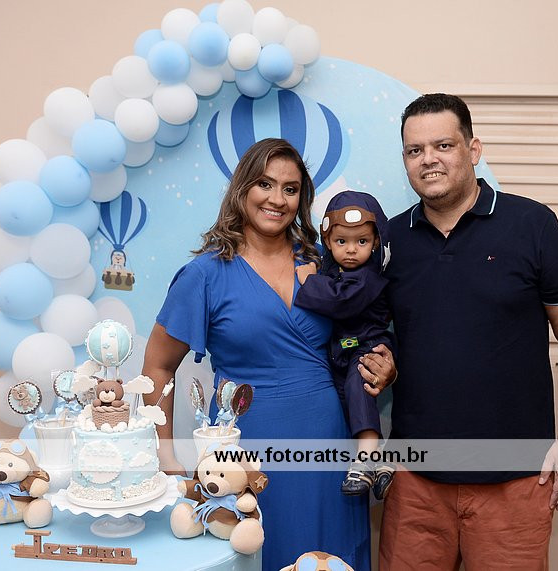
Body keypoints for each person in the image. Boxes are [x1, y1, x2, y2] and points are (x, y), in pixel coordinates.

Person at [141, 138, 395, 570]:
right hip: (245, 452)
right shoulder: (204, 274)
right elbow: (158, 367)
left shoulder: (325, 263)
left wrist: (385, 365)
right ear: (242, 188)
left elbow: (363, 332)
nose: (277, 199)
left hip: (329, 445)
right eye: (265, 184)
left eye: (290, 189)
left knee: (331, 557)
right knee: (258, 550)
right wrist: (165, 456)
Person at [375, 94, 558, 570]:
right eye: (415, 150)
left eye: (443, 145)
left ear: (473, 150)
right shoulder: (390, 241)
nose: (428, 159)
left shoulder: (532, 225)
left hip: (515, 480)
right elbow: (372, 330)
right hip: (416, 480)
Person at [293, 190, 395, 498]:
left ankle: (366, 457)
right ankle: (379, 461)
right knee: (342, 401)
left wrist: (309, 281)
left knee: (358, 387)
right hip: (342, 349)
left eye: (361, 241)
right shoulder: (334, 270)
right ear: (327, 241)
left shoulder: (368, 277)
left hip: (367, 345)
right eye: (341, 241)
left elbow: (341, 302)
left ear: (375, 242)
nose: (351, 250)